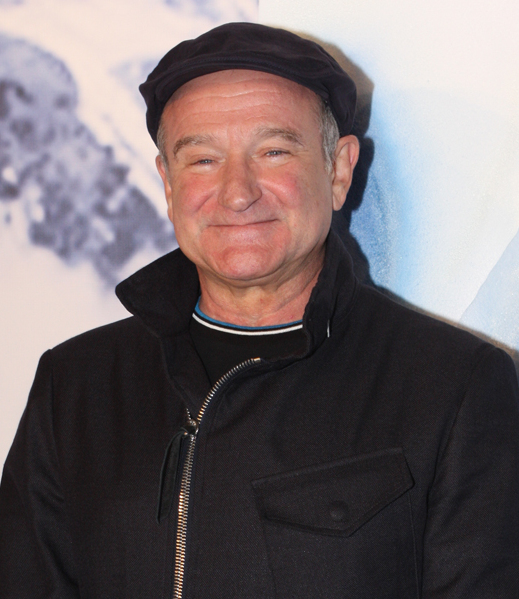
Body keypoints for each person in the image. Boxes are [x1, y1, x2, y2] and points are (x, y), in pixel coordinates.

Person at [0, 22, 518, 599]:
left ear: (339, 170)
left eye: (273, 152)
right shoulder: (76, 386)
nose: (237, 192)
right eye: (202, 160)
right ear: (167, 184)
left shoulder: (454, 386)